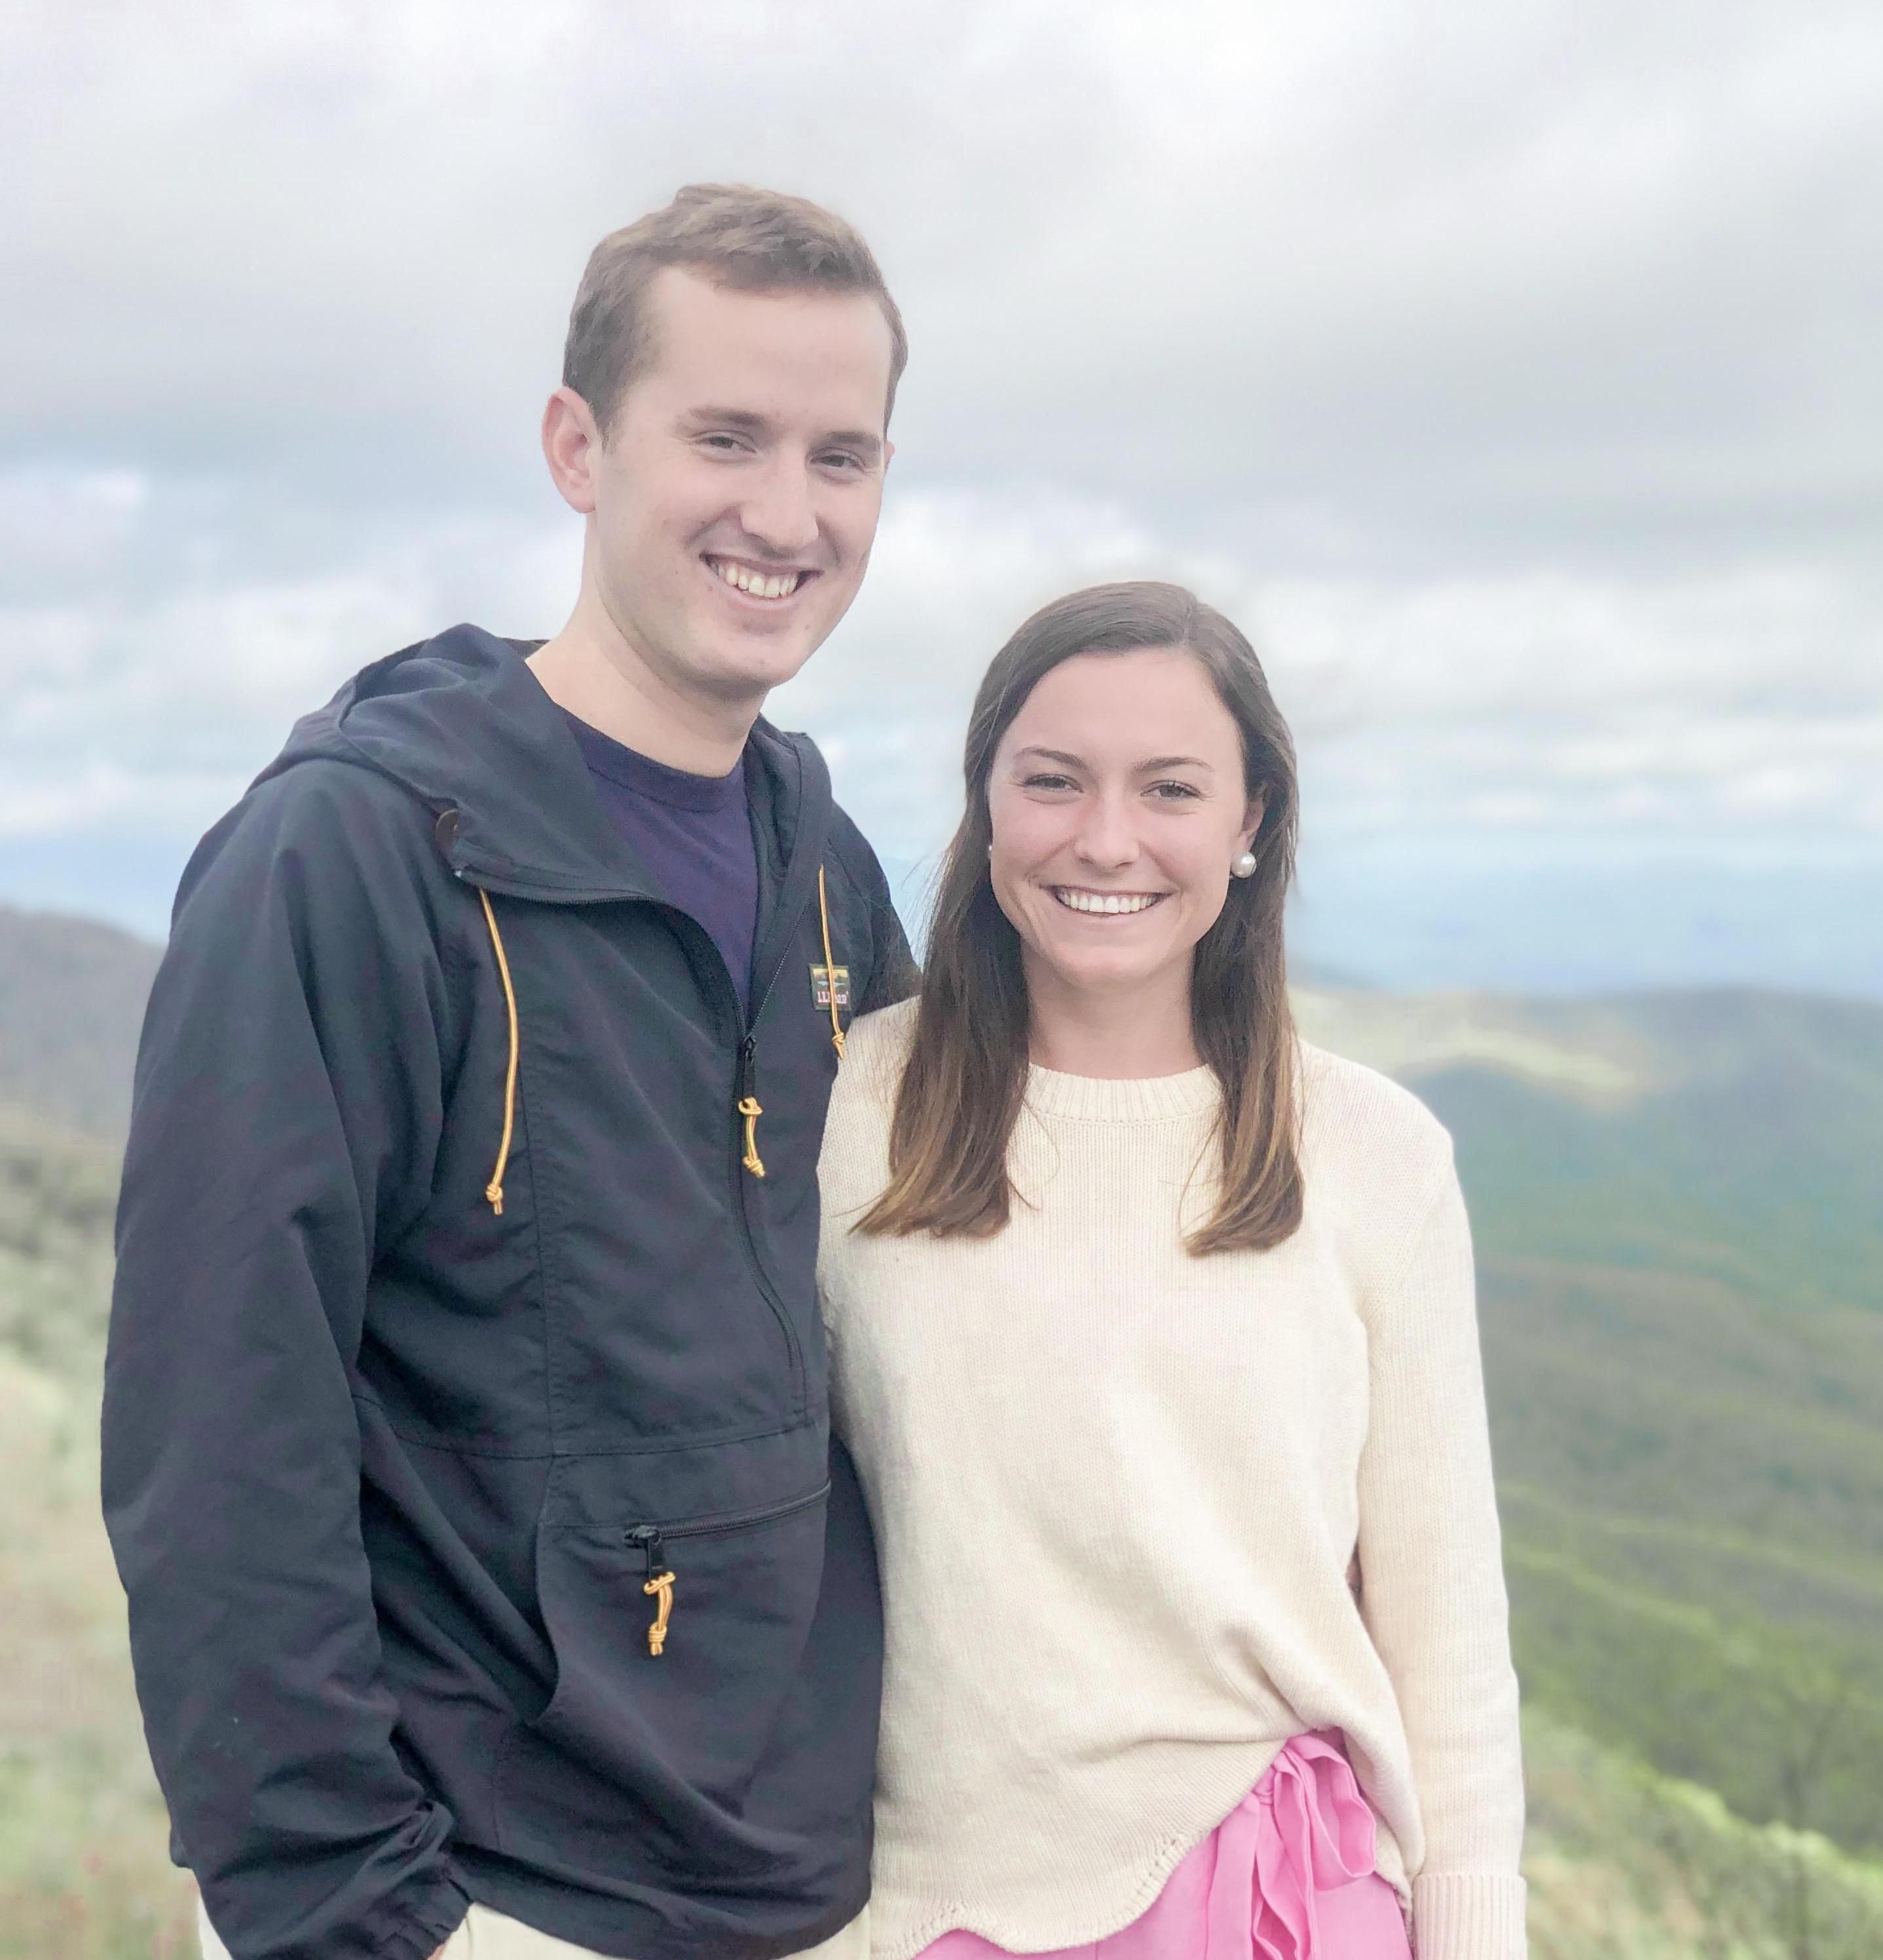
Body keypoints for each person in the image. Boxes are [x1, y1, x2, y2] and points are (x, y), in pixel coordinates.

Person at [102, 184, 917, 1960]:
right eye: (725, 437)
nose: (786, 514)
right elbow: (218, 1441)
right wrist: (362, 1917)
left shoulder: (825, 863)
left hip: (817, 1885)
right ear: (578, 444)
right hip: (492, 1900)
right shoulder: (351, 863)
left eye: (841, 455)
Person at [815, 582, 1527, 1960]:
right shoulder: (848, 1116)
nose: (1106, 840)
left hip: (1285, 1899)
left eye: (1172, 789)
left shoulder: (1376, 1156)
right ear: (986, 804)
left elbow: (1444, 1631)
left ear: (1251, 822)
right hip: (930, 1908)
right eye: (1054, 782)